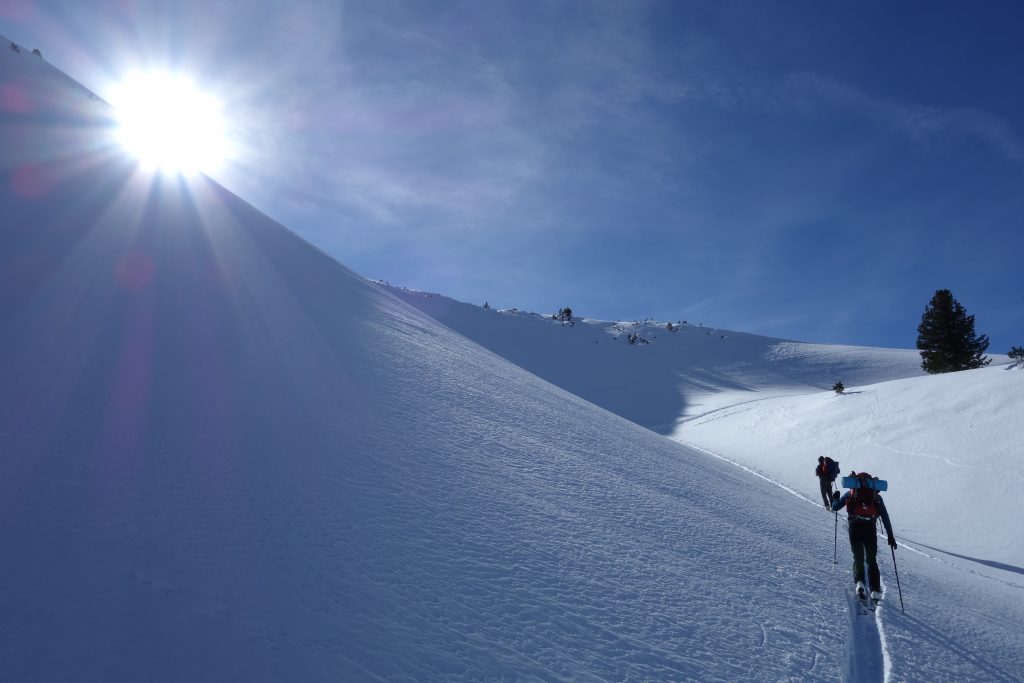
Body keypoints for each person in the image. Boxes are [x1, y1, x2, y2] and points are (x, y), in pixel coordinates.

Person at [830, 472, 897, 602]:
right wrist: (890, 536)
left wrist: (835, 498)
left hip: (855, 526)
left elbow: (835, 507)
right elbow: (885, 516)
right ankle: (875, 590)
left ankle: (860, 582)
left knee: (858, 557)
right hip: (870, 528)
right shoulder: (875, 496)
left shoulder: (851, 492)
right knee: (871, 559)